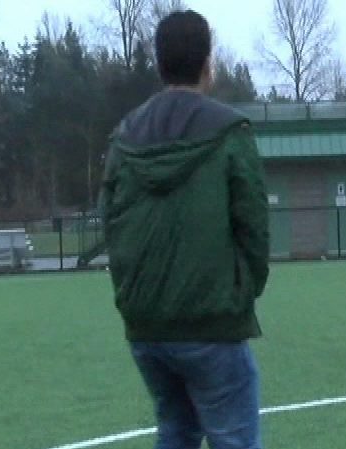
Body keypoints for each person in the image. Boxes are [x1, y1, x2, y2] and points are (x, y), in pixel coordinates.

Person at [100, 10, 269, 449]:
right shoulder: (231, 132)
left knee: (175, 430)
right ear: (207, 63)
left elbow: (111, 224)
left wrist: (132, 297)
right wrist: (242, 291)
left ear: (159, 65)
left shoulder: (124, 137)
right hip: (211, 319)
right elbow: (253, 227)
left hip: (147, 324)